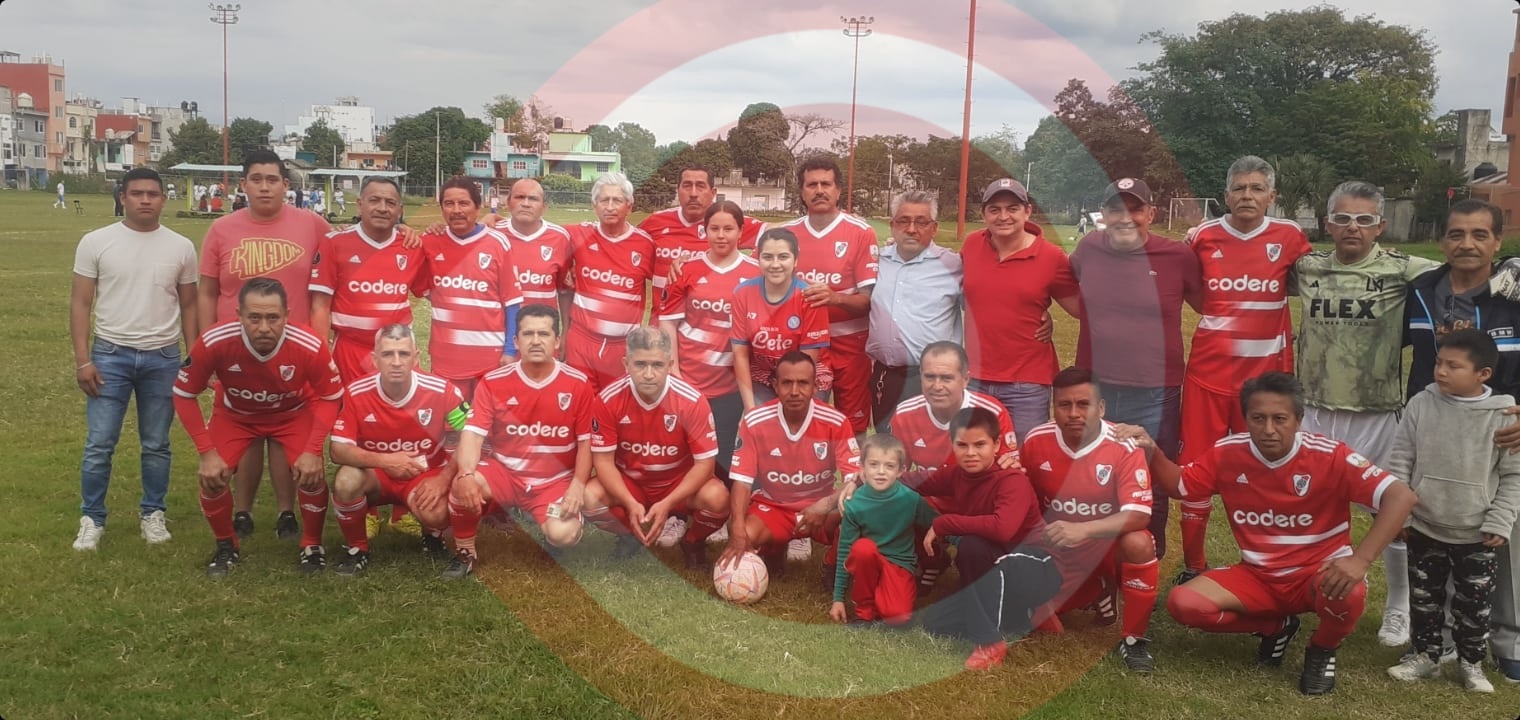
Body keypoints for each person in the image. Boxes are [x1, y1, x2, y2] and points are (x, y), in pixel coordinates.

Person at [1121, 372, 1418, 696]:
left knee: (1350, 592)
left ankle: (1322, 649)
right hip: (1259, 576)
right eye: (1258, 418)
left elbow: (1401, 497)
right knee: (1184, 603)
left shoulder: (1330, 455)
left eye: (1280, 419)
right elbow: (1181, 486)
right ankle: (1276, 627)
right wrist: (1151, 450)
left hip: (1317, 574)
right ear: (1245, 418)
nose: (1269, 429)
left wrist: (1360, 560)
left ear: (1299, 420)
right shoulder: (1228, 452)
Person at [1292, 180, 1438, 647]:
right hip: (1314, 409)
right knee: (1304, 507)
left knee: (1390, 513)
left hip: (1376, 411)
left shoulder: (1403, 268)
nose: (1352, 227)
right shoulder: (1307, 267)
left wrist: (1510, 265)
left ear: (1380, 226)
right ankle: (1297, 592)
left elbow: (1464, 268)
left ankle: (1398, 606)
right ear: (1327, 223)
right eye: (1342, 218)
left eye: (1363, 220)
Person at [1176, 156, 1311, 584]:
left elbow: (1317, 281)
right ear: (1226, 195)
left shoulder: (1290, 237)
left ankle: (1272, 568)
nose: (1247, 196)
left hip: (1266, 384)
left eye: (1256, 188)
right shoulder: (1202, 236)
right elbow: (1192, 291)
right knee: (1195, 473)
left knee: (1269, 474)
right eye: (1239, 188)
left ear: (1272, 196)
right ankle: (1193, 566)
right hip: (1207, 377)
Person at [198, 149, 332, 541]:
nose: (264, 187)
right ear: (243, 184)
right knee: (246, 427)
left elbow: (347, 249)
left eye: (272, 179)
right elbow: (207, 292)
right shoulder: (222, 229)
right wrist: (205, 346)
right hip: (234, 350)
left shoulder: (312, 224)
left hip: (293, 353)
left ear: (286, 185)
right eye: (255, 179)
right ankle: (242, 511)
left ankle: (286, 512)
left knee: (284, 430)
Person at [172, 278, 345, 576]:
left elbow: (331, 397)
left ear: (287, 315)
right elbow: (184, 394)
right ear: (238, 315)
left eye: (272, 317)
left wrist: (313, 449)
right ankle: (226, 545)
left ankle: (312, 545)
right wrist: (206, 452)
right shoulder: (215, 340)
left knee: (311, 475)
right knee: (212, 477)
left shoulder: (308, 343)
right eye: (254, 317)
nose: (264, 327)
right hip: (236, 416)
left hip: (292, 414)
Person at [1383, 329, 1520, 693]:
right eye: (1439, 362)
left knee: (1474, 606)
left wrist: (1501, 520)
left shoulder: (1503, 415)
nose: (1441, 371)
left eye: (1453, 366)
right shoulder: (1421, 404)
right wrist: (1402, 514)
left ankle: (1471, 663)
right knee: (1424, 601)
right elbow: (1401, 460)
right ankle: (1426, 657)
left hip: (1477, 533)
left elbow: (1513, 475)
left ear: (1483, 374)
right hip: (1424, 526)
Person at [1069, 178, 1200, 560]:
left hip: (1155, 389)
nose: (1125, 217)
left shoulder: (1178, 256)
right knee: (1093, 471)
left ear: (1151, 213)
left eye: (1135, 209)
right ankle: (1099, 560)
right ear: (1103, 214)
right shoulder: (1089, 248)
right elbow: (1060, 282)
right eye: (1115, 209)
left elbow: (1209, 306)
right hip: (1096, 387)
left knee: (1151, 475)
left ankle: (1146, 559)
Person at [69, 167, 199, 551]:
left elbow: (190, 305)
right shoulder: (96, 242)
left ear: (163, 199)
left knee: (157, 444)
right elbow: (81, 302)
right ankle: (92, 518)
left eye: (152, 194)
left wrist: (194, 357)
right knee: (100, 443)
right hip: (110, 355)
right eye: (137, 193)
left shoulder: (181, 247)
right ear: (122, 197)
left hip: (163, 357)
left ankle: (153, 513)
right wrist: (83, 360)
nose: (145, 200)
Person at [1021, 367, 1160, 673]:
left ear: (1102, 407)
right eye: (1064, 405)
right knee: (1027, 614)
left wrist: (1082, 529)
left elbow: (1139, 514)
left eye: (1083, 404)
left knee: (1138, 544)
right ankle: (1097, 589)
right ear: (1053, 407)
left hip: (1106, 545)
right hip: (1058, 547)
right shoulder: (1035, 441)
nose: (1073, 413)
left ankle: (1134, 639)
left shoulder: (1123, 444)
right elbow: (1024, 501)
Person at [445, 305, 594, 579]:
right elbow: (473, 434)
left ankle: (551, 536)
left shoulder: (578, 384)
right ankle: (465, 550)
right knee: (462, 485)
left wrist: (577, 485)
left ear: (557, 341)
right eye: (528, 334)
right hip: (506, 474)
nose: (535, 341)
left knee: (564, 534)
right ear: (516, 341)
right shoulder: (493, 382)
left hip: (554, 481)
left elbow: (586, 442)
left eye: (543, 334)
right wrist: (465, 473)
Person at [909, 406, 1056, 670]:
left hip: (1037, 567)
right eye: (962, 445)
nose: (971, 453)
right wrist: (865, 480)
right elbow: (915, 481)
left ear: (996, 444)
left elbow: (1002, 529)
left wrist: (945, 523)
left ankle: (989, 643)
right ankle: (1024, 615)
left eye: (980, 445)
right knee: (937, 624)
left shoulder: (1012, 480)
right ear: (952, 445)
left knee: (972, 547)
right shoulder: (957, 474)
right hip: (996, 565)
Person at [581, 326, 730, 568]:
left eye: (657, 365)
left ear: (670, 365)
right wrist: (629, 502)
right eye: (640, 364)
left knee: (719, 498)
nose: (649, 374)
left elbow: (705, 464)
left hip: (677, 483)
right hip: (632, 483)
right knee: (588, 497)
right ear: (626, 364)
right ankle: (629, 535)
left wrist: (668, 503)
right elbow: (603, 462)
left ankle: (693, 542)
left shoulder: (692, 401)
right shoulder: (608, 400)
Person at [327, 324, 467, 574]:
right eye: (387, 354)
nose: (396, 362)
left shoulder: (442, 390)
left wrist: (444, 480)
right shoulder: (356, 392)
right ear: (375, 359)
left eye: (403, 354)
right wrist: (386, 461)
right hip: (376, 476)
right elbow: (338, 450)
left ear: (416, 357)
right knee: (346, 480)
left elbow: (472, 436)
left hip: (423, 475)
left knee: (436, 514)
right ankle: (357, 548)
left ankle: (432, 534)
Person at [717, 351, 861, 586]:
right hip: (774, 506)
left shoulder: (836, 422)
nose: (795, 391)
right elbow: (742, 482)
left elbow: (855, 481)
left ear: (815, 386)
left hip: (820, 508)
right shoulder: (755, 421)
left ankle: (833, 566)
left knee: (859, 514)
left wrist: (824, 504)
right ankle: (774, 552)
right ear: (775, 385)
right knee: (746, 538)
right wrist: (738, 529)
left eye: (803, 383)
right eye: (787, 383)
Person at [960, 178, 1081, 445]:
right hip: (975, 376)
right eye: (995, 209)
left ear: (1027, 212)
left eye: (1012, 208)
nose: (1003, 216)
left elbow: (1079, 309)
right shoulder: (971, 245)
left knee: (1025, 455)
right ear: (984, 214)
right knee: (976, 456)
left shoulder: (1051, 257)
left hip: (1026, 383)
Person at [777, 157, 879, 435]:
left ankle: (853, 466)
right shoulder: (785, 234)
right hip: (802, 344)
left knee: (853, 427)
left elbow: (868, 301)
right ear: (802, 191)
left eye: (826, 184)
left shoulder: (860, 232)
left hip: (851, 345)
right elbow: (745, 271)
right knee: (802, 423)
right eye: (812, 185)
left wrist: (834, 299)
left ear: (838, 190)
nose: (819, 190)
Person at [659, 201, 759, 481]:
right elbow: (668, 323)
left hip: (731, 384)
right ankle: (679, 506)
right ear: (704, 231)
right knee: (683, 452)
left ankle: (719, 505)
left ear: (741, 231)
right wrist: (674, 372)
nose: (721, 235)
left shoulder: (756, 272)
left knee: (723, 454)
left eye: (728, 229)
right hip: (689, 380)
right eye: (714, 228)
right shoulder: (685, 269)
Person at [309, 176, 427, 384]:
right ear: (360, 205)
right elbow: (320, 306)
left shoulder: (412, 246)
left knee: (402, 404)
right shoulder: (334, 243)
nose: (382, 208)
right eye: (374, 200)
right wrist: (323, 356)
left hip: (397, 351)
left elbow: (432, 290)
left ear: (399, 211)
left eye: (390, 203)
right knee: (349, 404)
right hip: (350, 351)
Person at [420, 176, 525, 402]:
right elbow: (422, 288)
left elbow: (512, 303)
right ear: (441, 208)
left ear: (478, 207)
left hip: (490, 359)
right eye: (449, 204)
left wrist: (510, 350)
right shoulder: (429, 242)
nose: (456, 210)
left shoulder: (497, 243)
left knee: (487, 421)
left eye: (464, 203)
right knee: (451, 421)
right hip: (446, 358)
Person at [867, 190, 964, 433]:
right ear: (892, 225)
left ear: (934, 228)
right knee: (889, 448)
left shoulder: (953, 265)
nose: (911, 229)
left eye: (921, 222)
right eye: (904, 221)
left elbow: (985, 306)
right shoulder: (877, 261)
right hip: (886, 377)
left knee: (934, 449)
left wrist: (1040, 314)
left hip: (934, 380)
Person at [830, 434, 937, 627]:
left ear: (901, 470)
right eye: (873, 464)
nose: (881, 472)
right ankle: (864, 611)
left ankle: (888, 591)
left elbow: (938, 524)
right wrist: (838, 599)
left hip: (899, 562)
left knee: (897, 617)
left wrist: (961, 541)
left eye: (889, 466)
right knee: (863, 549)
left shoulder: (911, 499)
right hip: (869, 560)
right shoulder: (854, 504)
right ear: (862, 468)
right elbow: (845, 551)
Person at [564, 172, 656, 388]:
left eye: (617, 200)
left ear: (629, 207)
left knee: (616, 405)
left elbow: (664, 287)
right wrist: (493, 221)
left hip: (623, 346)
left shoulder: (645, 244)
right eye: (604, 200)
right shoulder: (577, 234)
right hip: (582, 341)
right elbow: (538, 232)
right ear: (594, 205)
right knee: (581, 402)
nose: (610, 207)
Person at [730, 228, 830, 410]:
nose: (775, 264)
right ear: (758, 259)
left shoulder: (810, 297)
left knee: (796, 422)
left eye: (783, 257)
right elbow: (740, 354)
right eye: (767, 257)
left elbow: (806, 364)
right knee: (760, 423)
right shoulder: (743, 293)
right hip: (762, 373)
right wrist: (751, 410)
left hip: (804, 373)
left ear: (796, 260)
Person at [888, 342, 1016, 473]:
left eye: (947, 378)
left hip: (979, 486)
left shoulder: (992, 412)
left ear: (965, 379)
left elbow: (1010, 471)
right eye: (930, 377)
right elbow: (895, 472)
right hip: (930, 487)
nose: (937, 386)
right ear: (921, 376)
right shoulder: (903, 415)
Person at [640, 165, 765, 291]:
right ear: (678, 190)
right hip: (666, 303)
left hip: (708, 302)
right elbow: (631, 246)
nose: (693, 194)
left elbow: (775, 233)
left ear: (713, 193)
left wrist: (752, 265)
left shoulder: (729, 222)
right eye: (687, 186)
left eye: (700, 186)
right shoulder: (657, 221)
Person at [491, 178, 573, 319]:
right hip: (500, 328)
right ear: (508, 202)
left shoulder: (560, 237)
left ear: (544, 207)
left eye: (533, 199)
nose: (526, 204)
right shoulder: (492, 233)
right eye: (519, 197)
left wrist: (565, 329)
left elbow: (564, 291)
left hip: (541, 328)